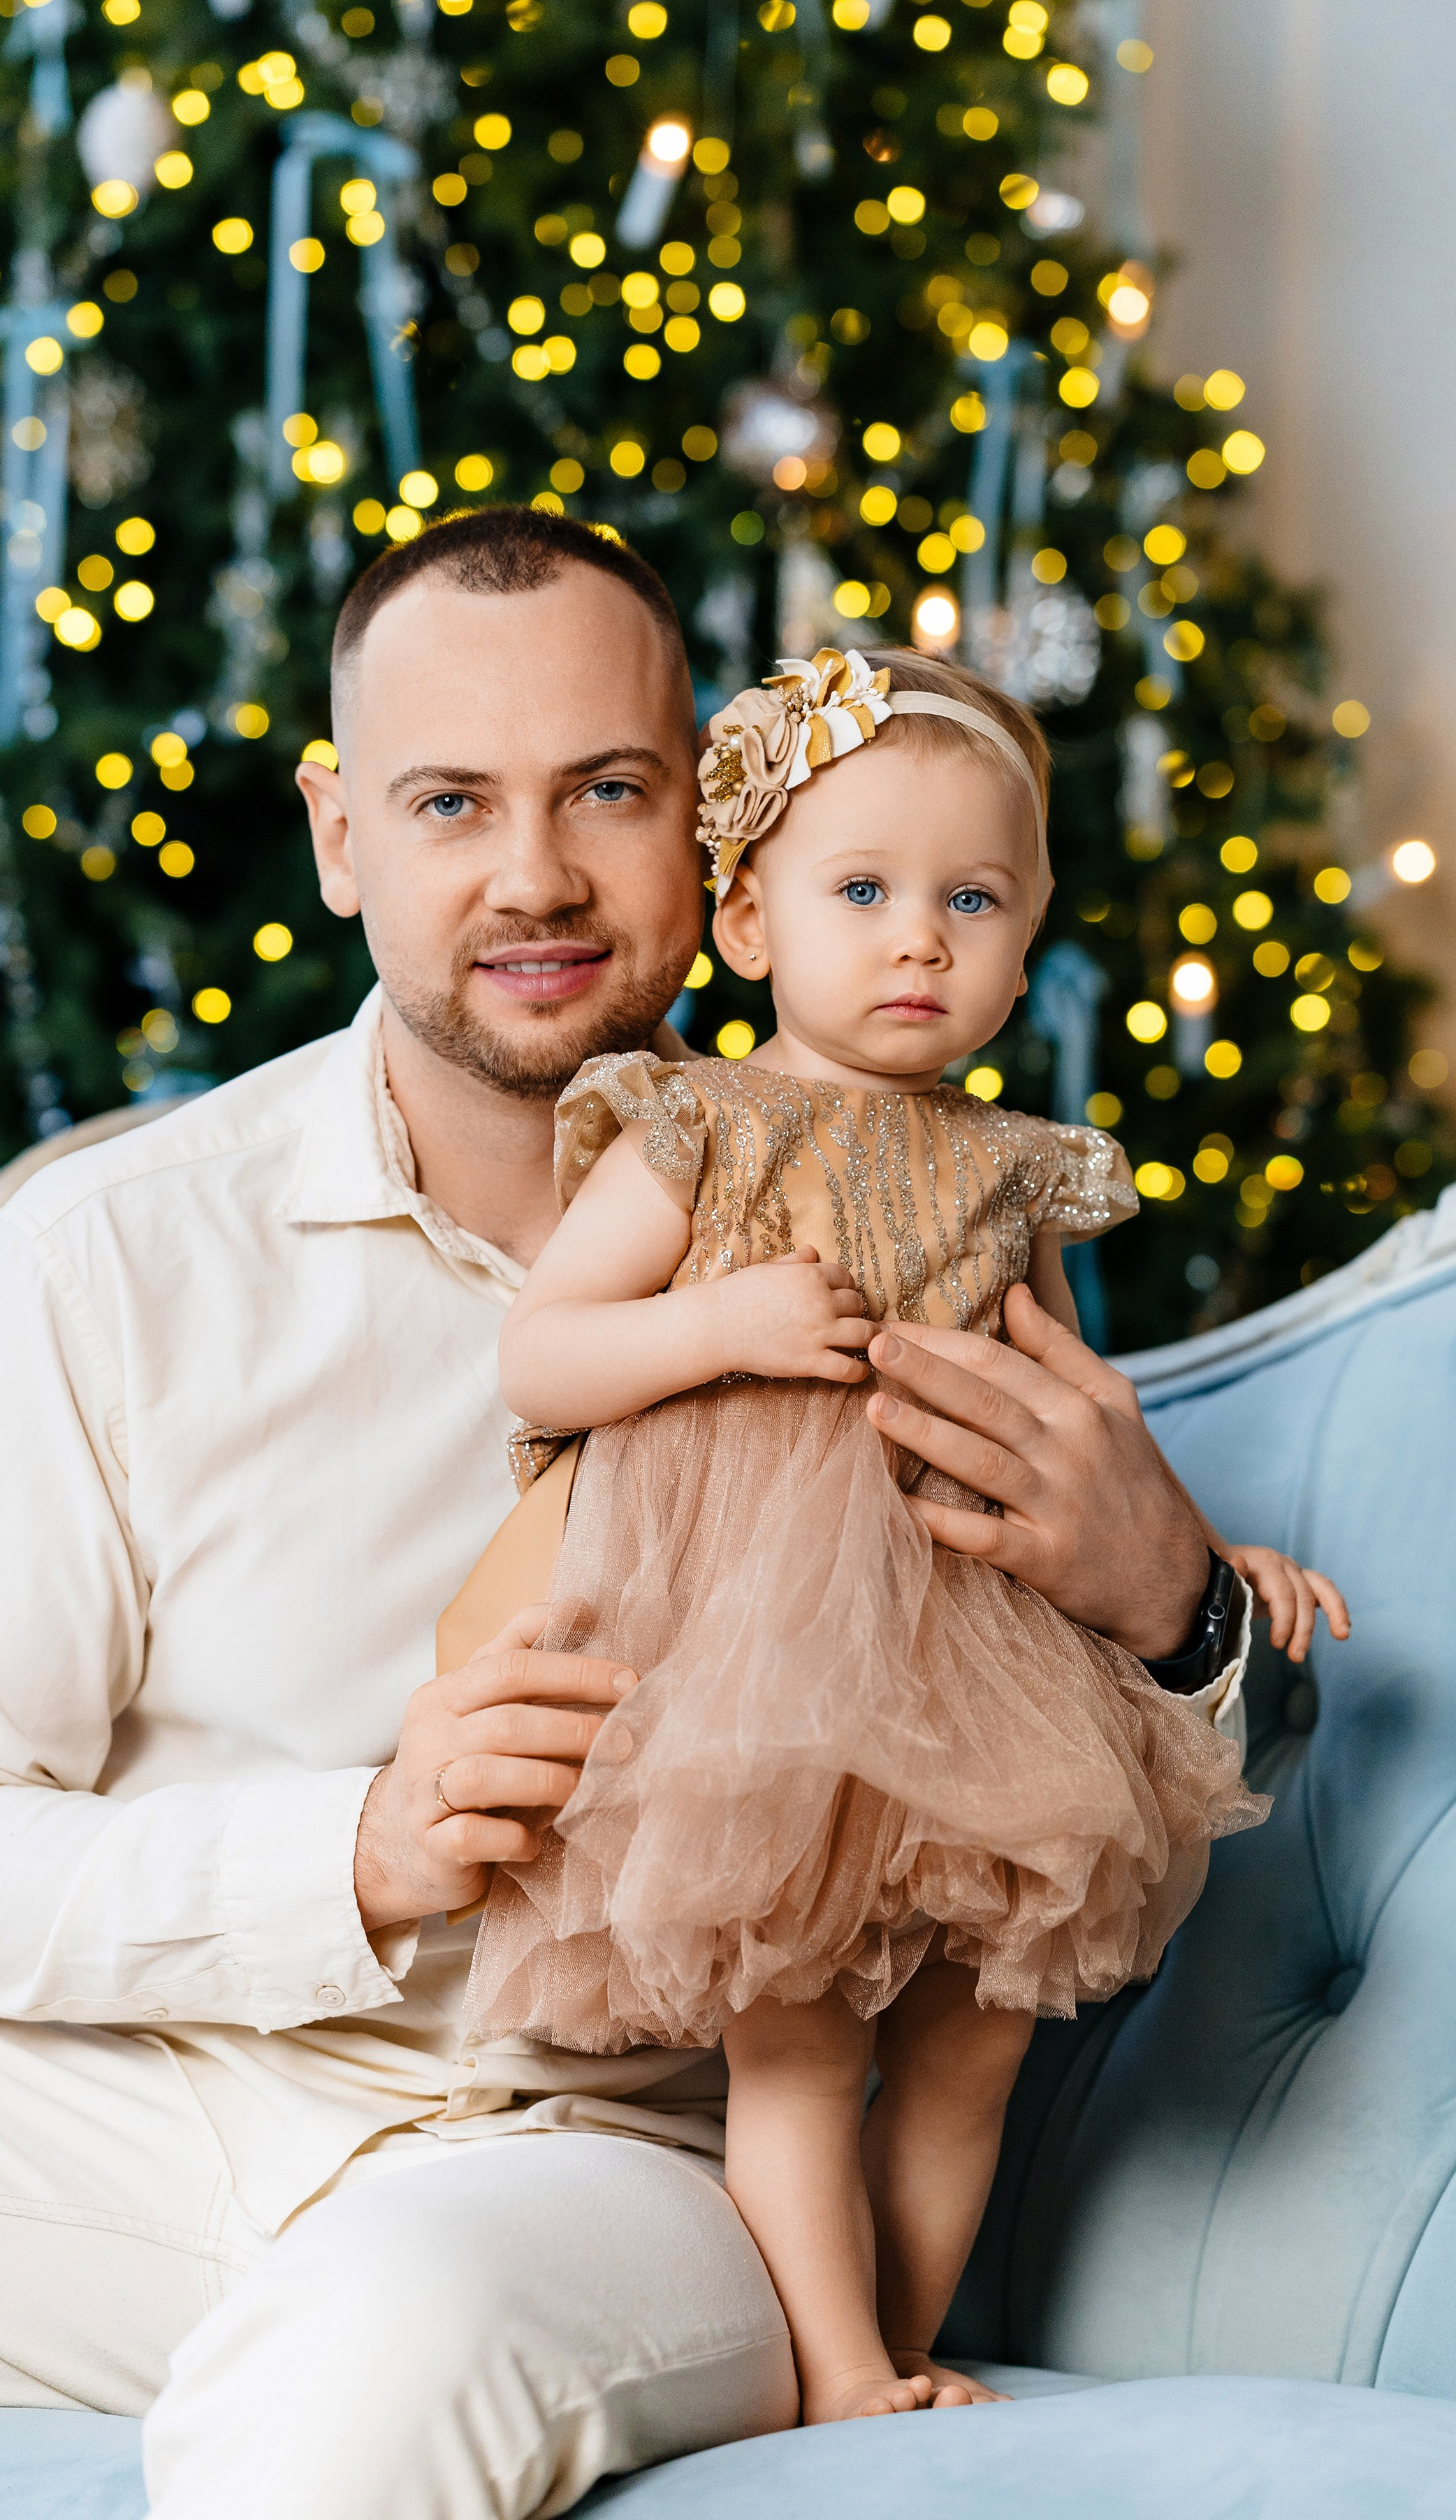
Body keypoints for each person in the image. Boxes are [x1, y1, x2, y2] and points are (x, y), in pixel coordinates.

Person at [0, 513, 1297, 2520]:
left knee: (363, 2378)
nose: (536, 878)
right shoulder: (110, 1260)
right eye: (444, 802)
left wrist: (1183, 1606)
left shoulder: (911, 1224)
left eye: (610, 790)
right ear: (340, 838)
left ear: (720, 841)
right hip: (143, 2116)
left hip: (602, 2161)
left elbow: (1111, 1767)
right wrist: (360, 1849)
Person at [468, 644, 1348, 2428]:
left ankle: (906, 2349)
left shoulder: (1015, 1168)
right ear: (747, 923)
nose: (920, 939)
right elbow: (539, 1351)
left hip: (974, 1653)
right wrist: (720, 1330)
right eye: (862, 891)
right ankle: (840, 2370)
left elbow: (1073, 1412)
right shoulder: (696, 1123)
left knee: (978, 2035)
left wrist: (1213, 1556)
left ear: (1029, 938)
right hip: (762, 1660)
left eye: (974, 899)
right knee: (797, 2038)